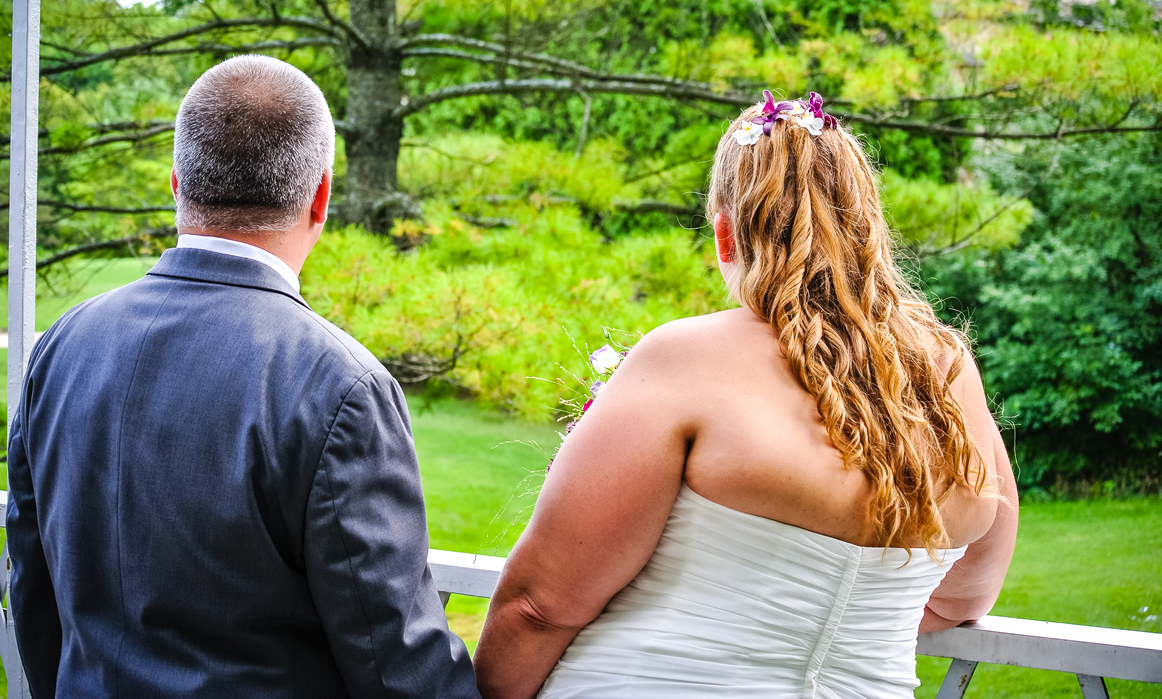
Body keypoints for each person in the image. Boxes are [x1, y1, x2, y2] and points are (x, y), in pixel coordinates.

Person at [473, 92, 1019, 698]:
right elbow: (964, 598)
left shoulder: (684, 359)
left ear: (726, 235)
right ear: (866, 229)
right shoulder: (946, 371)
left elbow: (539, 606)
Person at [6, 55, 478, 698]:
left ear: (177, 183)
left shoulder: (62, 347)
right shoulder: (340, 387)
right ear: (321, 197)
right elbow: (392, 658)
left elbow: (33, 595)